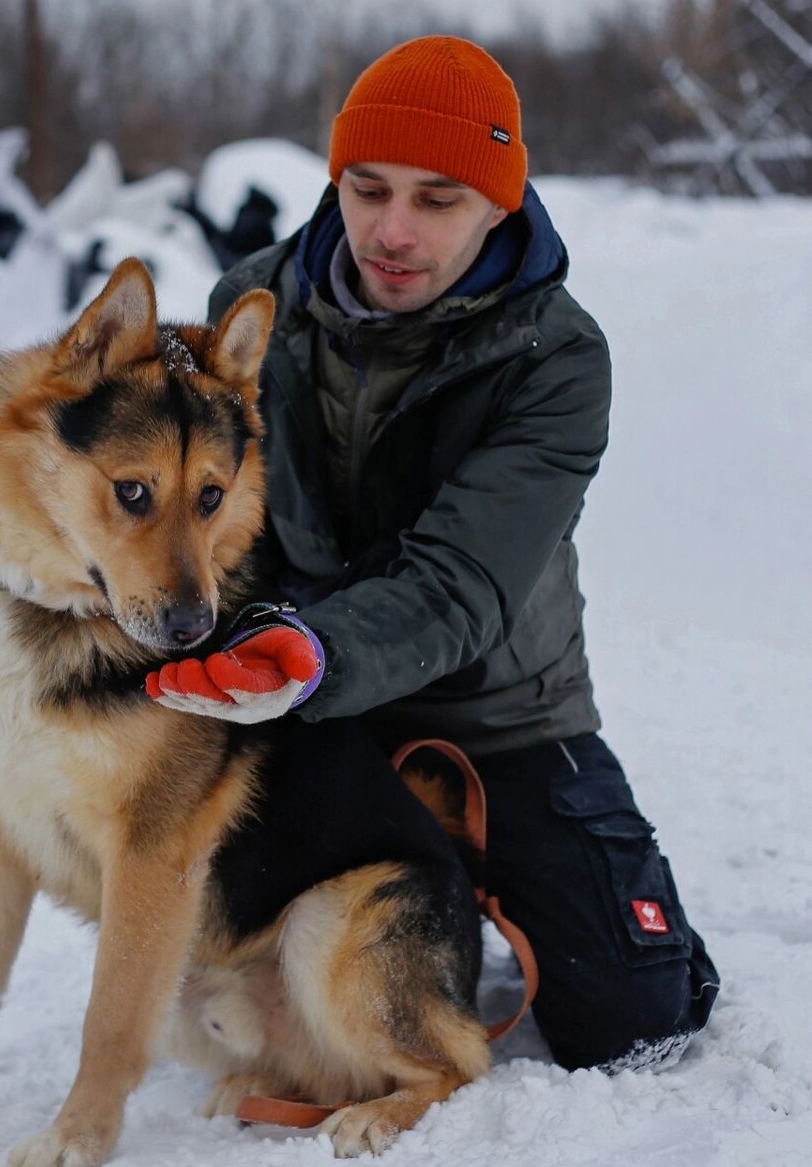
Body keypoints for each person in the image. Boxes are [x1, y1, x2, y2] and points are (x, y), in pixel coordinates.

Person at [147, 35, 719, 1071]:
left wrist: (308, 653)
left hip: (496, 711)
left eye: (439, 199)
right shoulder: (254, 303)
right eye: (368, 189)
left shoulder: (558, 357)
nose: (393, 230)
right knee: (243, 1004)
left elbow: (459, 586)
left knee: (637, 1019)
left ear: (500, 204)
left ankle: (532, 878)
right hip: (303, 709)